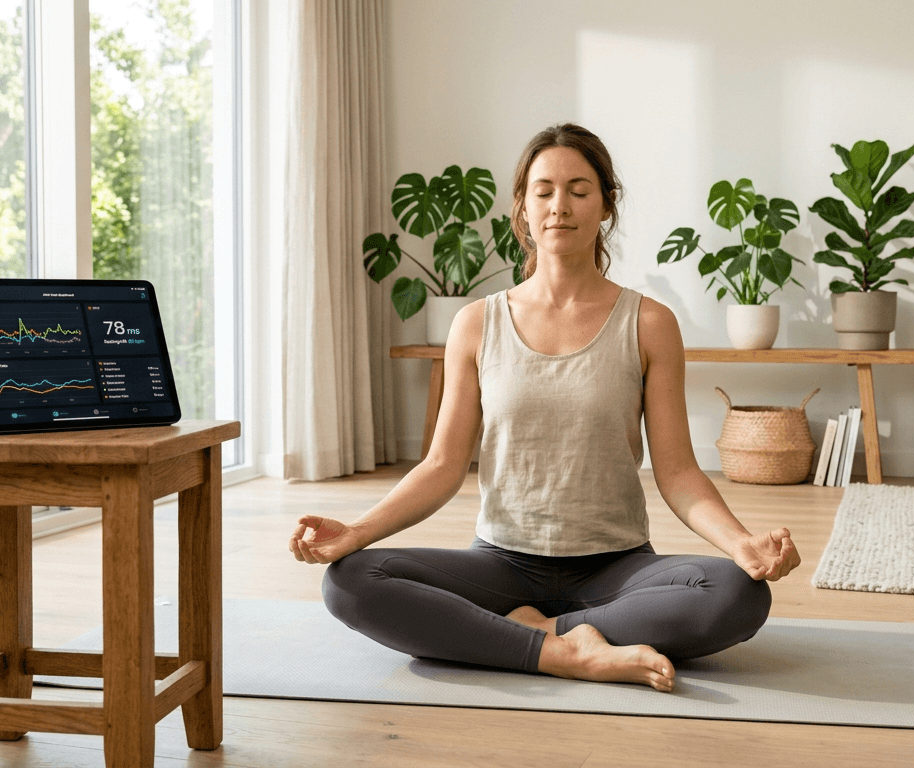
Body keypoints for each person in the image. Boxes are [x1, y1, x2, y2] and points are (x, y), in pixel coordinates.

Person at [289, 123, 800, 692]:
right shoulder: (476, 324)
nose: (561, 206)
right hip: (501, 565)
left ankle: (534, 634)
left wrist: (740, 543)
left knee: (737, 593)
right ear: (523, 207)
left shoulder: (650, 323)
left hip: (617, 568)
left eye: (579, 191)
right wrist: (355, 532)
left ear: (606, 205)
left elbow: (679, 473)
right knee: (350, 581)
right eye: (544, 191)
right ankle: (568, 653)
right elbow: (442, 466)